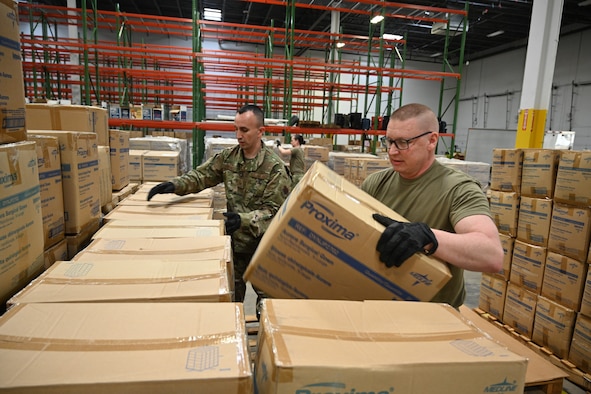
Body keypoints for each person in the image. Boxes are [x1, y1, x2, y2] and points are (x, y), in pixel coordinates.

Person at [147, 104, 292, 307]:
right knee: (230, 303)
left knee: (270, 306)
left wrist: (243, 220)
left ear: (261, 132)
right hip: (234, 246)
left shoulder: (275, 168)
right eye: (236, 129)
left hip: (264, 251)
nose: (238, 135)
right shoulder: (228, 158)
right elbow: (202, 176)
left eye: (244, 130)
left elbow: (276, 214)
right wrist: (174, 185)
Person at [361, 103, 503, 309]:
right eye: (389, 141)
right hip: (378, 307)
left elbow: (491, 255)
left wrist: (429, 237)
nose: (392, 151)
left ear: (432, 140)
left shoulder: (458, 189)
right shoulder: (376, 183)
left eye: (403, 142)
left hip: (433, 317)